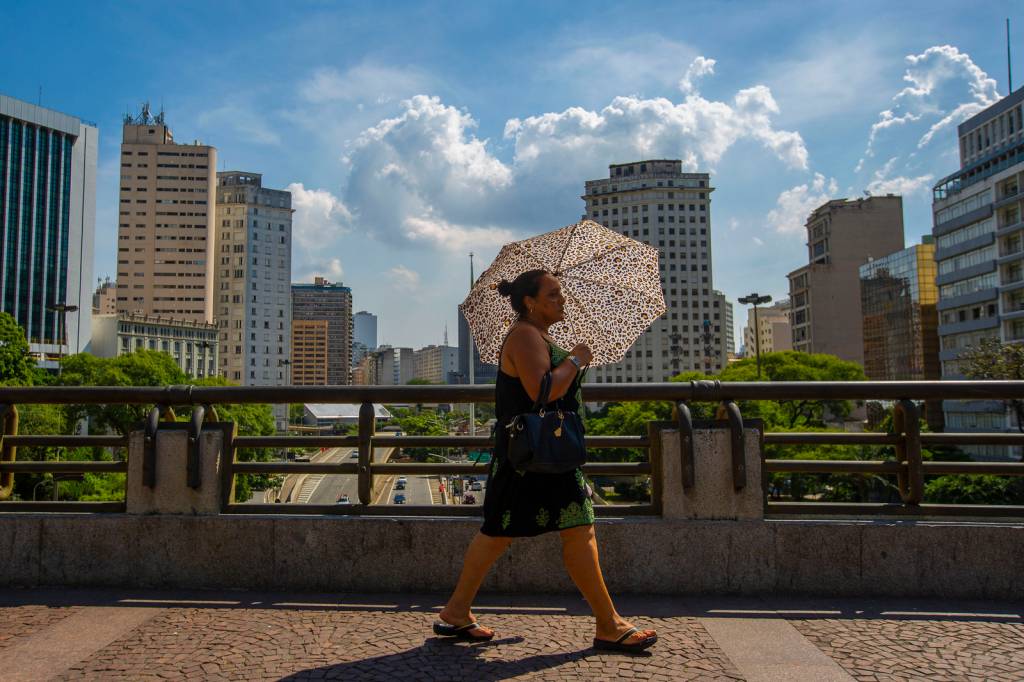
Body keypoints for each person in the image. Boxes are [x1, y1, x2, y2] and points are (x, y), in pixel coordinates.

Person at [433, 269, 657, 653]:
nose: (562, 299)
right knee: (559, 530)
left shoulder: (537, 335)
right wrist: (575, 359)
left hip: (536, 455)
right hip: (534, 456)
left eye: (561, 293)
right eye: (553, 294)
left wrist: (569, 359)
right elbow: (543, 391)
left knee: (506, 533)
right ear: (530, 303)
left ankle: (456, 612)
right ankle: (609, 624)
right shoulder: (524, 335)